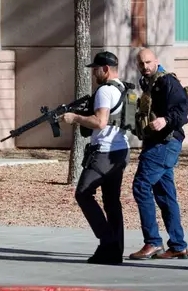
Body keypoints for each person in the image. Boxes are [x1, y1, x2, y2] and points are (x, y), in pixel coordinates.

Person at [60, 51, 132, 265]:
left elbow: (100, 122)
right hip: (121, 151)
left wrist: (75, 118)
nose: (93, 73)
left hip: (105, 151)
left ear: (106, 69)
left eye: (95, 69)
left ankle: (108, 242)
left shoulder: (105, 91)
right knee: (111, 201)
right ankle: (114, 251)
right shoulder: (123, 88)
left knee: (83, 193)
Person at [129, 48, 188, 260]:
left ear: (156, 61)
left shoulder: (167, 82)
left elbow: (182, 109)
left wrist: (165, 120)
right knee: (165, 194)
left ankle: (153, 242)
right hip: (157, 143)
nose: (145, 67)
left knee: (141, 186)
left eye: (148, 62)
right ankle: (178, 245)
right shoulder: (148, 81)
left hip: (165, 143)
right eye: (141, 64)